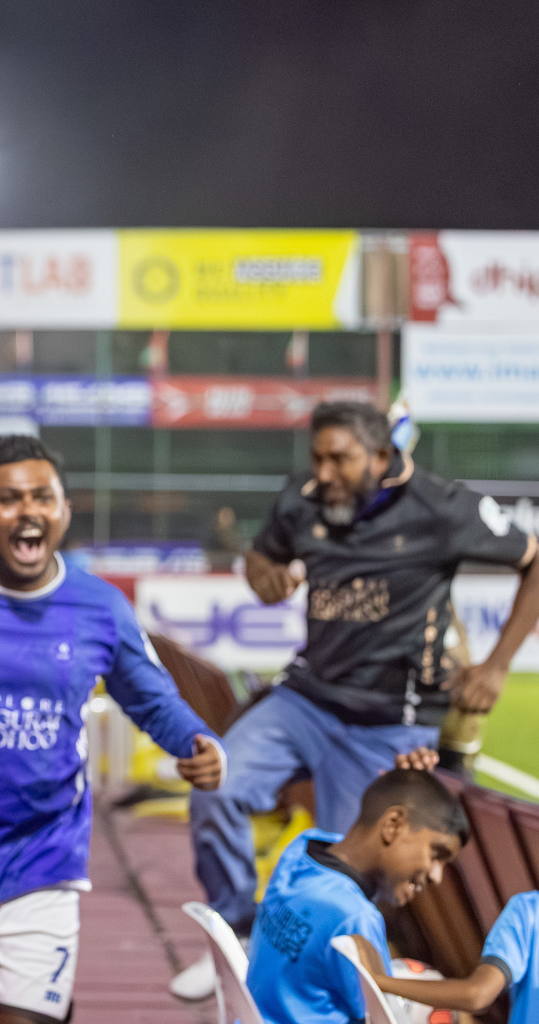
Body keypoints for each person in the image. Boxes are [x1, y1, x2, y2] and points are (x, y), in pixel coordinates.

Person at [172, 400, 539, 1000]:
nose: (323, 472)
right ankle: (236, 929)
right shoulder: (304, 497)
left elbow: (535, 559)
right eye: (316, 457)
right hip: (306, 698)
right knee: (215, 783)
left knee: (355, 872)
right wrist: (261, 573)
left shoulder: (443, 506)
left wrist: (497, 666)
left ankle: (353, 991)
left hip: (390, 720)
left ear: (380, 455)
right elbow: (263, 557)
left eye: (339, 459)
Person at [0, 434, 224, 1024]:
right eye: (10, 499)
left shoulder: (100, 607)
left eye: (44, 497)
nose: (29, 510)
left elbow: (151, 695)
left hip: (41, 859)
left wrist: (198, 742)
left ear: (65, 510)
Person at [246, 768, 467, 1024]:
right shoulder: (356, 918)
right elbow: (379, 1017)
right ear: (393, 824)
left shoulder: (301, 848)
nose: (436, 876)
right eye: (436, 854)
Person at [361, 889, 537, 1019]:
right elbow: (476, 995)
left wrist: (378, 981)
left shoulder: (529, 909)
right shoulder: (529, 911)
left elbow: (477, 995)